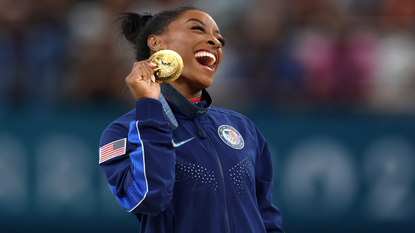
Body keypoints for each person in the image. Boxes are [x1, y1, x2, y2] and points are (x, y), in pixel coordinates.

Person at [98, 6, 284, 233]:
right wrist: (149, 107)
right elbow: (149, 197)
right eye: (198, 29)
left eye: (219, 38)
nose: (216, 42)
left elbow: (266, 216)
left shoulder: (243, 128)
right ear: (157, 44)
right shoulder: (122, 132)